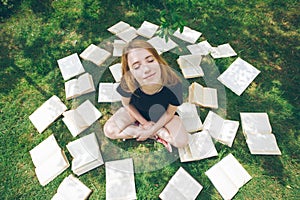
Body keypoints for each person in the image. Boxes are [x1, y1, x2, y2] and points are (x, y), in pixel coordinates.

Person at [103, 40, 188, 152]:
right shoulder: (128, 83)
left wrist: (151, 130)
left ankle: (155, 132)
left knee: (182, 141)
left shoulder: (173, 84)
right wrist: (145, 123)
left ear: (158, 60)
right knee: (109, 130)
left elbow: (169, 113)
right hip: (136, 113)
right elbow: (127, 104)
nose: (147, 70)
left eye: (150, 60)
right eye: (137, 67)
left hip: (164, 116)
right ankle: (154, 132)